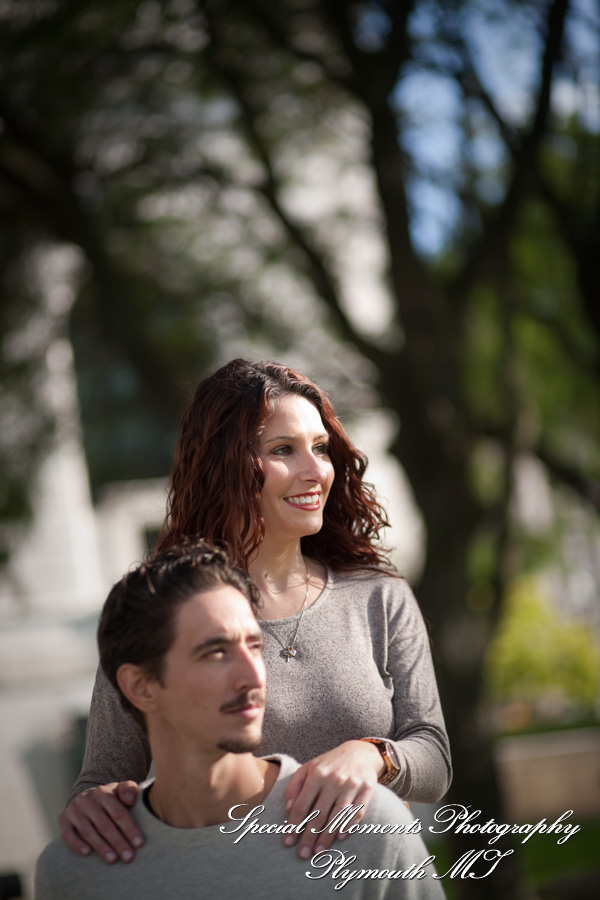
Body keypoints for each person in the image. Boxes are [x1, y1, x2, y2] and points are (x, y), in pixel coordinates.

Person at [60, 358, 451, 865]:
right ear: (224, 465)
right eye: (283, 450)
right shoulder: (162, 611)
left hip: (375, 876)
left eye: (320, 448)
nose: (315, 471)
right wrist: (91, 806)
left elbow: (434, 758)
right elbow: (103, 780)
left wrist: (372, 754)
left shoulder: (378, 595)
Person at [37, 542, 446, 900]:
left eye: (255, 646)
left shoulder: (371, 829)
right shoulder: (75, 871)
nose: (253, 675)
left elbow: (432, 750)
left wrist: (374, 754)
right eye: (215, 652)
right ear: (140, 686)